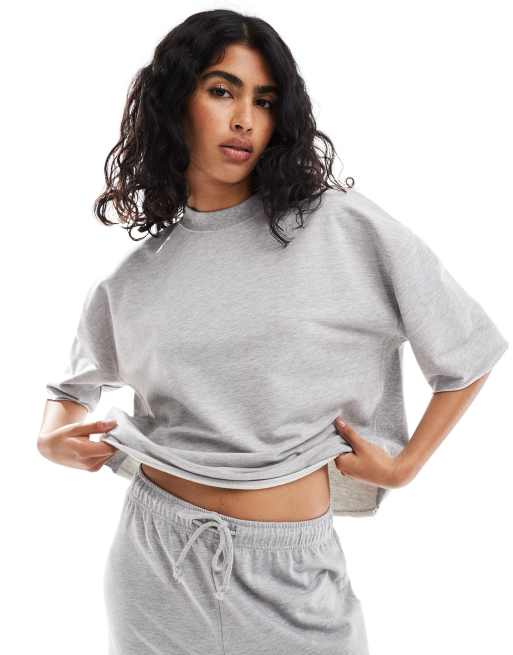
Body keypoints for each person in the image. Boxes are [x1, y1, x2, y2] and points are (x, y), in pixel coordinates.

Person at [37, 9, 508, 655]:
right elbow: (71, 389)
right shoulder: (135, 277)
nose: (244, 120)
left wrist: (404, 465)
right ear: (175, 103)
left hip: (292, 577)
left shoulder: (339, 227)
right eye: (221, 91)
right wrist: (52, 439)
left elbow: (469, 349)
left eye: (263, 100)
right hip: (153, 564)